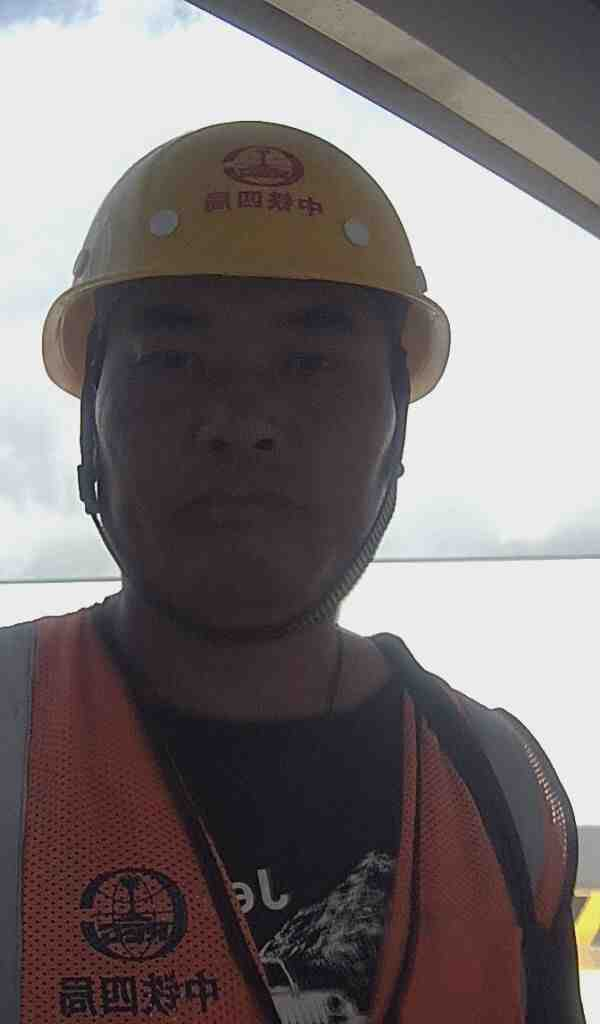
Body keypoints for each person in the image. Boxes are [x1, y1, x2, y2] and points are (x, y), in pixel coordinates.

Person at [0, 122, 586, 1022]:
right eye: (171, 359)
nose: (243, 423)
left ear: (396, 428)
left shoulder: (503, 789)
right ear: (93, 422)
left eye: (313, 362)